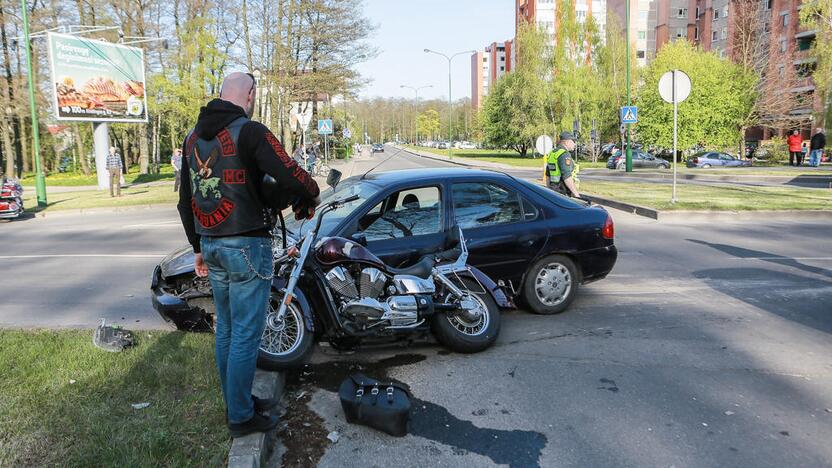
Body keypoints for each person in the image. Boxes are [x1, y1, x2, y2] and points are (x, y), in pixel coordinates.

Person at [177, 71, 320, 438]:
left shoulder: (191, 138)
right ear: (251, 94)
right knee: (244, 334)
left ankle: (236, 402)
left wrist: (197, 247)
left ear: (221, 94)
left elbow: (185, 200)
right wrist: (312, 191)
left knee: (225, 329)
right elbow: (288, 173)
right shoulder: (251, 131)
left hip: (211, 244)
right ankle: (240, 416)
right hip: (246, 246)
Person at [544, 132, 581, 198]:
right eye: (573, 141)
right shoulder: (564, 154)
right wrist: (576, 194)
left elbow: (547, 175)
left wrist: (549, 190)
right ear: (566, 142)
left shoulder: (552, 153)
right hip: (563, 191)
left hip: (553, 190)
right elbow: (566, 177)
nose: (574, 144)